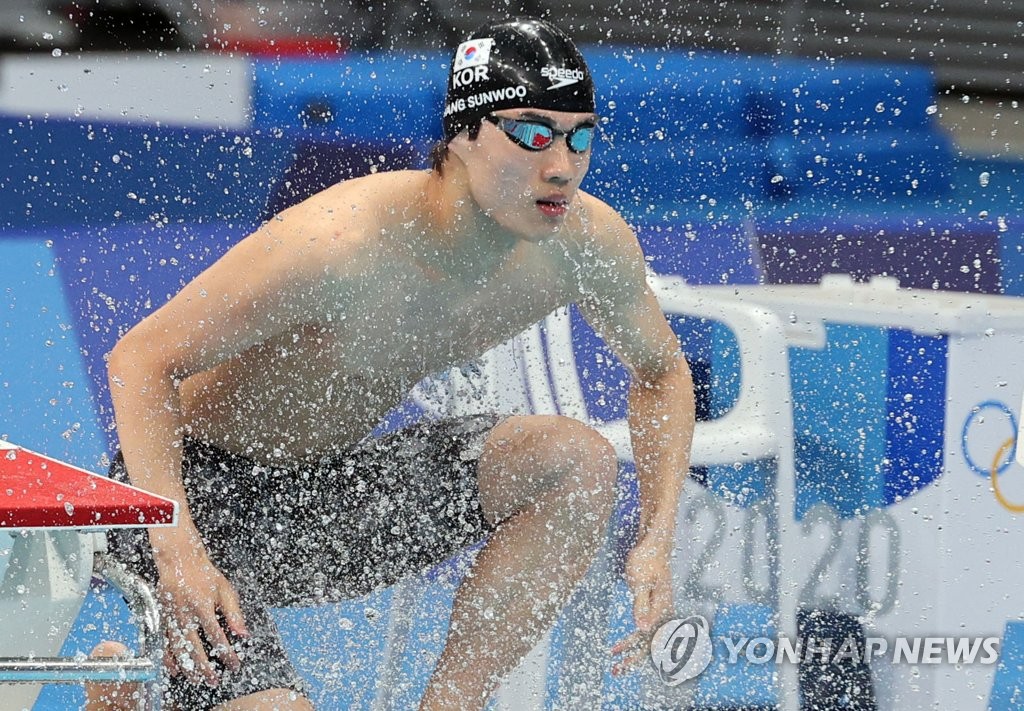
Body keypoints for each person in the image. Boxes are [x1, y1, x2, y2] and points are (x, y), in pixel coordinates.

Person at [87, 16, 695, 711]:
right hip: (192, 498)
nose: (561, 164)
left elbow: (662, 371)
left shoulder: (583, 242)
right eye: (531, 133)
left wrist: (656, 536)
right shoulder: (341, 242)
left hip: (324, 500)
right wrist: (178, 551)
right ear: (464, 134)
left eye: (579, 135)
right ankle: (119, 698)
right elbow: (140, 359)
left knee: (578, 463)